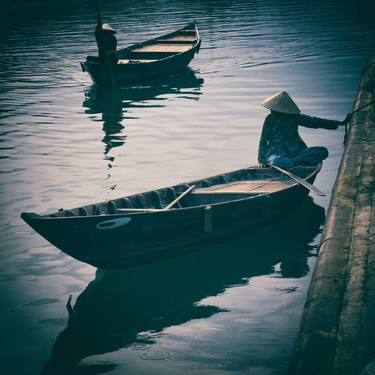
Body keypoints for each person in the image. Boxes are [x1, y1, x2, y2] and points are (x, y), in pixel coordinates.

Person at [257, 91, 351, 168]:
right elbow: (263, 141)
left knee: (323, 151)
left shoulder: (294, 117)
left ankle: (295, 161)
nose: (272, 111)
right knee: (276, 161)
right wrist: (261, 160)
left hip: (296, 152)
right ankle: (292, 162)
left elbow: (315, 122)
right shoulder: (269, 119)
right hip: (277, 154)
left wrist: (339, 123)